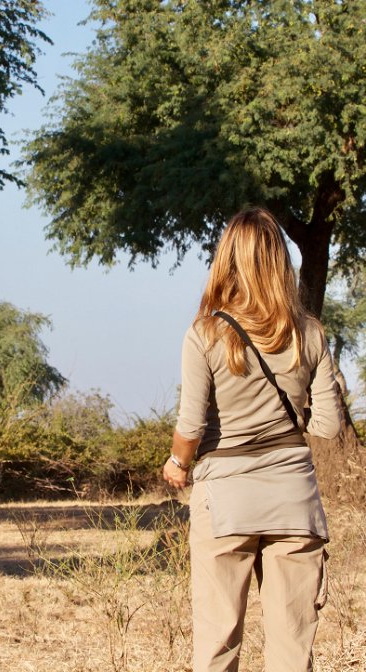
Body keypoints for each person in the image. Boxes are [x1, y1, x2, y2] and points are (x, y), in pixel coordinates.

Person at [162, 207, 341, 672]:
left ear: (227, 260)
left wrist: (178, 465)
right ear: (281, 261)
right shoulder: (311, 334)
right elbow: (327, 426)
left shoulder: (204, 333)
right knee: (291, 651)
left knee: (218, 647)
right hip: (293, 500)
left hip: (225, 499)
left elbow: (191, 426)